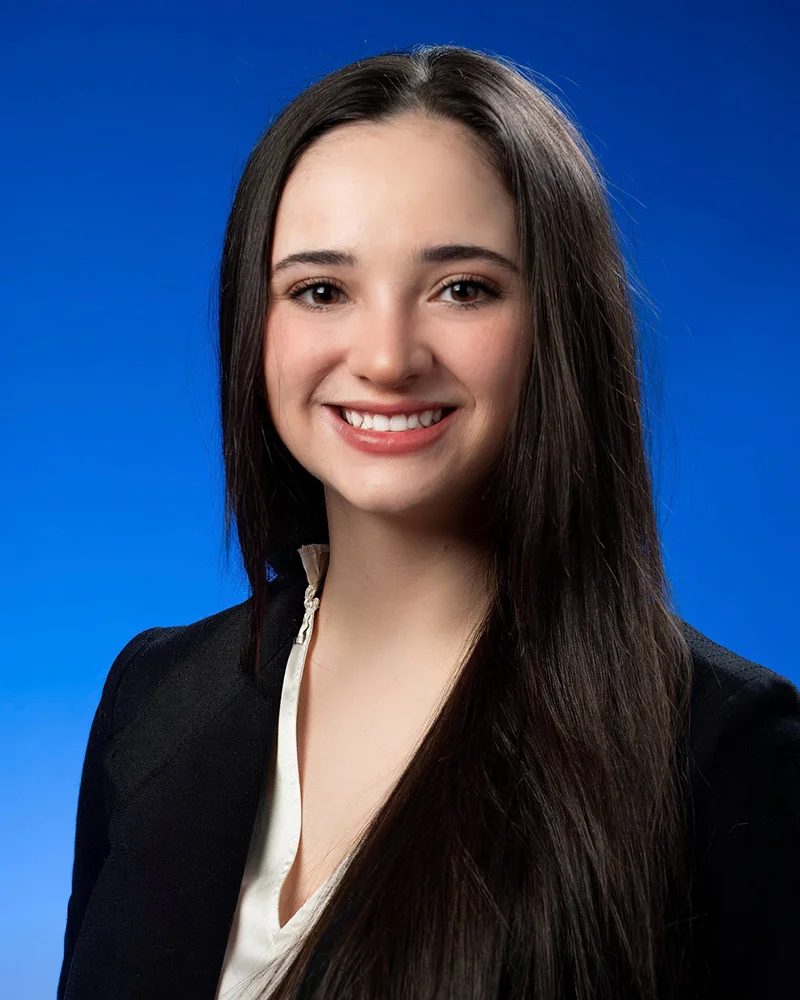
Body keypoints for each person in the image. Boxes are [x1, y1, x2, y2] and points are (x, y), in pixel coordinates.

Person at [57, 44, 800, 1000]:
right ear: (257, 325)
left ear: (558, 325)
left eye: (463, 288)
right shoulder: (155, 695)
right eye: (321, 289)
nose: (387, 357)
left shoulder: (728, 758)